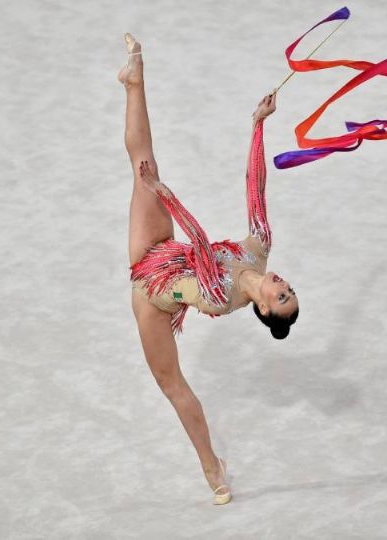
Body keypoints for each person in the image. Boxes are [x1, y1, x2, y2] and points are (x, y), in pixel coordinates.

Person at [118, 32, 298, 505]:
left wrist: (164, 192)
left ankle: (211, 467)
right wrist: (258, 125)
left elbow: (199, 244)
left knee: (172, 385)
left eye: (281, 297)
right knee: (142, 161)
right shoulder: (258, 251)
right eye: (290, 288)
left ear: (261, 309)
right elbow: (255, 185)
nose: (282, 284)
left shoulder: (222, 298)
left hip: (151, 288)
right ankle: (134, 80)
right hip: (167, 251)